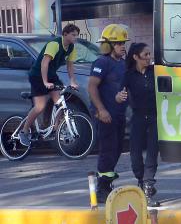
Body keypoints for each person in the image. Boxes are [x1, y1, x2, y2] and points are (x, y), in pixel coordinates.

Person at [87, 24, 129, 203]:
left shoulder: (122, 63)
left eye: (123, 43)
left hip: (118, 114)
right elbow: (91, 86)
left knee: (118, 148)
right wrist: (101, 109)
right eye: (118, 43)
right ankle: (102, 188)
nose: (122, 46)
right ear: (109, 45)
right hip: (105, 115)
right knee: (107, 150)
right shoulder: (102, 62)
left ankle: (107, 181)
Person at [19, 24, 81, 146]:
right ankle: (24, 131)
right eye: (73, 35)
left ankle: (54, 130)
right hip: (38, 76)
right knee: (40, 106)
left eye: (76, 35)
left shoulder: (71, 47)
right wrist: (45, 82)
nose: (75, 37)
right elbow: (44, 63)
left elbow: (70, 65)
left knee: (60, 103)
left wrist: (72, 81)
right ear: (65, 34)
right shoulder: (55, 45)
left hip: (51, 75)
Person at [122, 43, 160, 207]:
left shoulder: (154, 71)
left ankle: (148, 186)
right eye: (145, 55)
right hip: (138, 118)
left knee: (152, 153)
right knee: (135, 155)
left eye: (150, 54)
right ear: (136, 57)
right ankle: (140, 179)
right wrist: (119, 96)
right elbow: (120, 92)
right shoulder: (129, 75)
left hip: (154, 117)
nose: (149, 57)